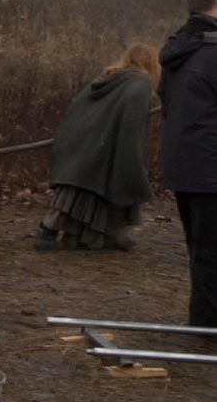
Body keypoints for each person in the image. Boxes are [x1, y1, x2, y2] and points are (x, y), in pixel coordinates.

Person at [34, 44, 160, 251]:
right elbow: (130, 125)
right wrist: (132, 157)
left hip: (84, 142)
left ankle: (104, 235)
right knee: (83, 191)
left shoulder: (108, 78)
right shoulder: (140, 85)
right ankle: (47, 229)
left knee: (90, 189)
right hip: (101, 146)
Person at [159, 0, 217, 327]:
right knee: (210, 252)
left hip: (186, 165)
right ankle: (208, 326)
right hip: (211, 167)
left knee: (202, 249)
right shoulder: (211, 51)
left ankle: (204, 322)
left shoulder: (179, 48)